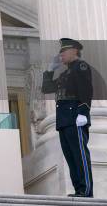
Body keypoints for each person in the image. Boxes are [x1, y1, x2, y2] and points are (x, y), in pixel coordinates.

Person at [42, 38, 93, 197]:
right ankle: (78, 189)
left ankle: (86, 191)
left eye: (63, 52)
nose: (61, 55)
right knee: (71, 157)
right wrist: (50, 70)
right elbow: (47, 88)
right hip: (64, 120)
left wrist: (83, 112)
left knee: (80, 155)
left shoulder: (81, 67)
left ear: (74, 51)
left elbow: (86, 90)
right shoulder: (65, 74)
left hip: (75, 116)